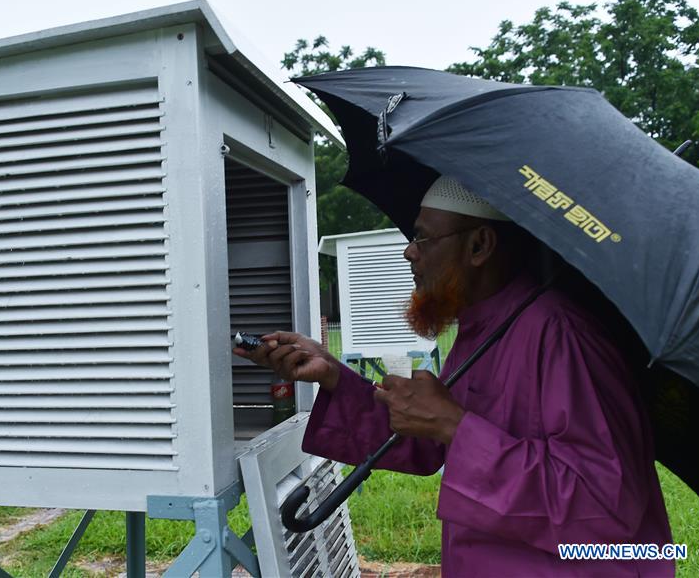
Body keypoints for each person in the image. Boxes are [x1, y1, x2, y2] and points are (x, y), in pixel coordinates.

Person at [233, 176, 674, 577]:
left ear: (480, 245)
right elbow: (430, 443)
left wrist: (455, 425)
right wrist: (331, 374)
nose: (410, 251)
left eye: (423, 237)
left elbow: (603, 507)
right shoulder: (483, 327)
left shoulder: (562, 336)